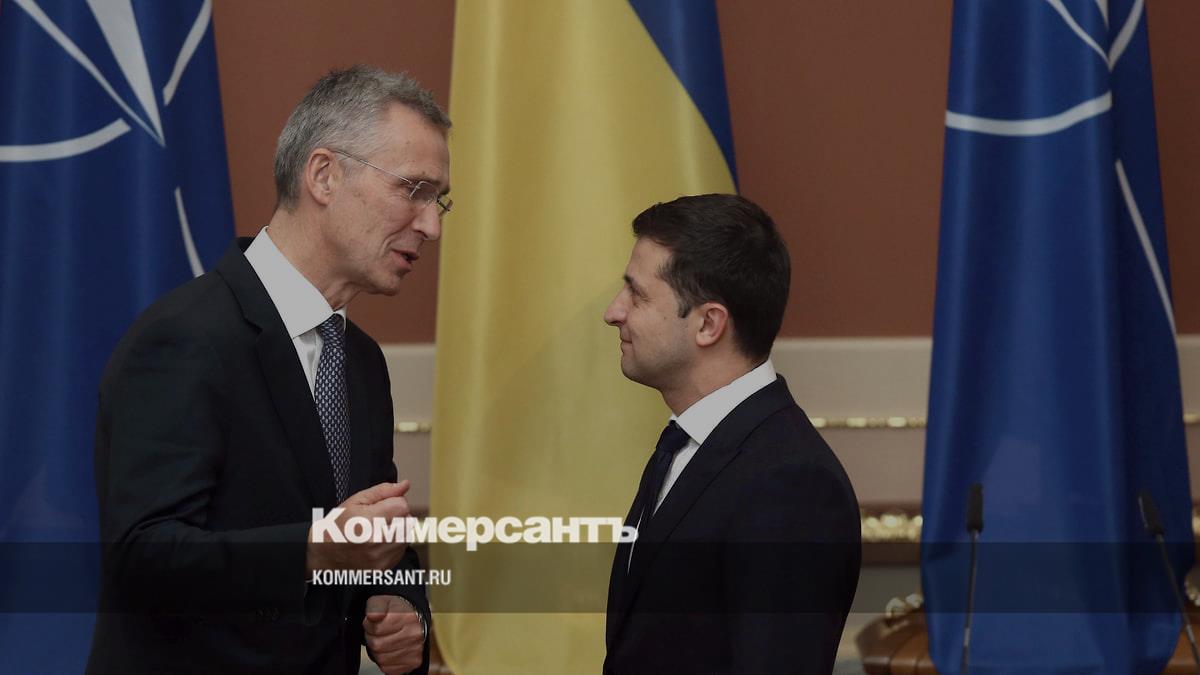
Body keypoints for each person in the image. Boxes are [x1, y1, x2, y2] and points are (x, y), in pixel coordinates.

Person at [87, 65, 451, 675]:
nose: (432, 225)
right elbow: (141, 557)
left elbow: (370, 535)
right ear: (324, 175)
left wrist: (400, 606)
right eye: (413, 189)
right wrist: (309, 551)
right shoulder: (184, 337)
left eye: (439, 201)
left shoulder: (361, 361)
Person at [601, 194, 861, 674]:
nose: (614, 312)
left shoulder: (791, 483)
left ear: (708, 324)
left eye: (637, 295)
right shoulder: (683, 446)